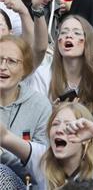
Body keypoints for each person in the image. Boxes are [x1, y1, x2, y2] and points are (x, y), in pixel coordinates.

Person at [0, 101, 93, 189]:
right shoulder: (41, 156)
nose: (59, 130)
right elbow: (4, 136)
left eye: (69, 126)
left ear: (86, 138)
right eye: (55, 124)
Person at [27, 15, 93, 128]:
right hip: (55, 133)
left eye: (76, 33)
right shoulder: (44, 74)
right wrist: (54, 113)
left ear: (87, 41)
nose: (68, 36)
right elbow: (33, 119)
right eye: (63, 32)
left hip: (91, 135)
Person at [0, 35, 51, 185]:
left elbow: (42, 168)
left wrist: (2, 153)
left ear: (25, 69)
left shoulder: (40, 106)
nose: (2, 66)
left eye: (11, 61)